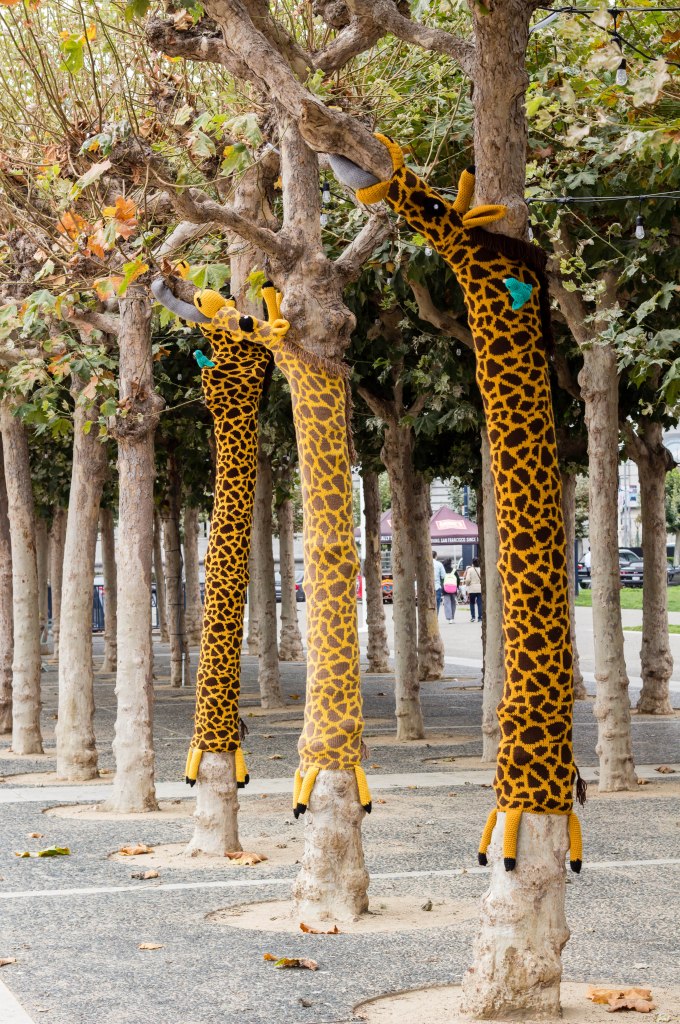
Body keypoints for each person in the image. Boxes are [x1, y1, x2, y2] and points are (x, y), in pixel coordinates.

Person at [464, 557, 482, 622]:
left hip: (472, 589)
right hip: (480, 588)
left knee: (472, 603)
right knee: (479, 603)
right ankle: (480, 617)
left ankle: (473, 617)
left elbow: (468, 579)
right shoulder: (481, 569)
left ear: (472, 563)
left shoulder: (470, 570)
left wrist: (467, 584)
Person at [441, 558, 459, 623]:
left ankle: (449, 618)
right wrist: (457, 587)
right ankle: (452, 618)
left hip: (445, 589)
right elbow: (458, 579)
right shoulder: (454, 570)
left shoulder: (443, 570)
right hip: (453, 588)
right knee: (453, 603)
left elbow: (442, 579)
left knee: (447, 603)